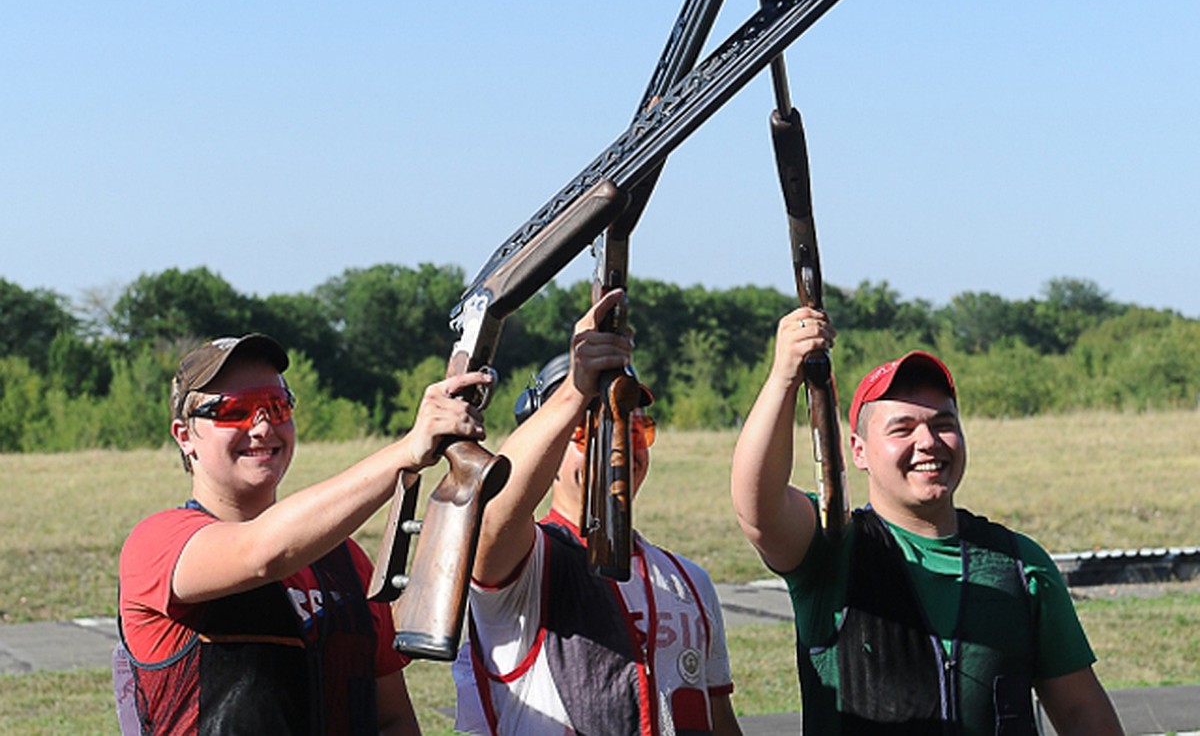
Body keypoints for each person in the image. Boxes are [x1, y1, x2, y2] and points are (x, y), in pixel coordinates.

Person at [730, 307, 1124, 736]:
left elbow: (1082, 711)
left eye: (943, 424)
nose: (928, 442)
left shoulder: (1019, 564)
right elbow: (758, 506)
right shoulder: (830, 549)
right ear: (858, 451)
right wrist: (784, 376)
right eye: (902, 429)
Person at [115, 333, 490, 735]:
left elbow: (392, 718)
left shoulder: (346, 561)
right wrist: (408, 452)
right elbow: (261, 554)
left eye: (275, 407)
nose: (261, 427)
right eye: (234, 411)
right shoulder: (157, 543)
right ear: (185, 436)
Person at [452, 290, 742, 735]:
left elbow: (719, 723)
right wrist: (574, 389)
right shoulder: (528, 563)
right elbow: (493, 516)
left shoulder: (689, 582)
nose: (618, 443)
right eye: (590, 430)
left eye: (635, 427)